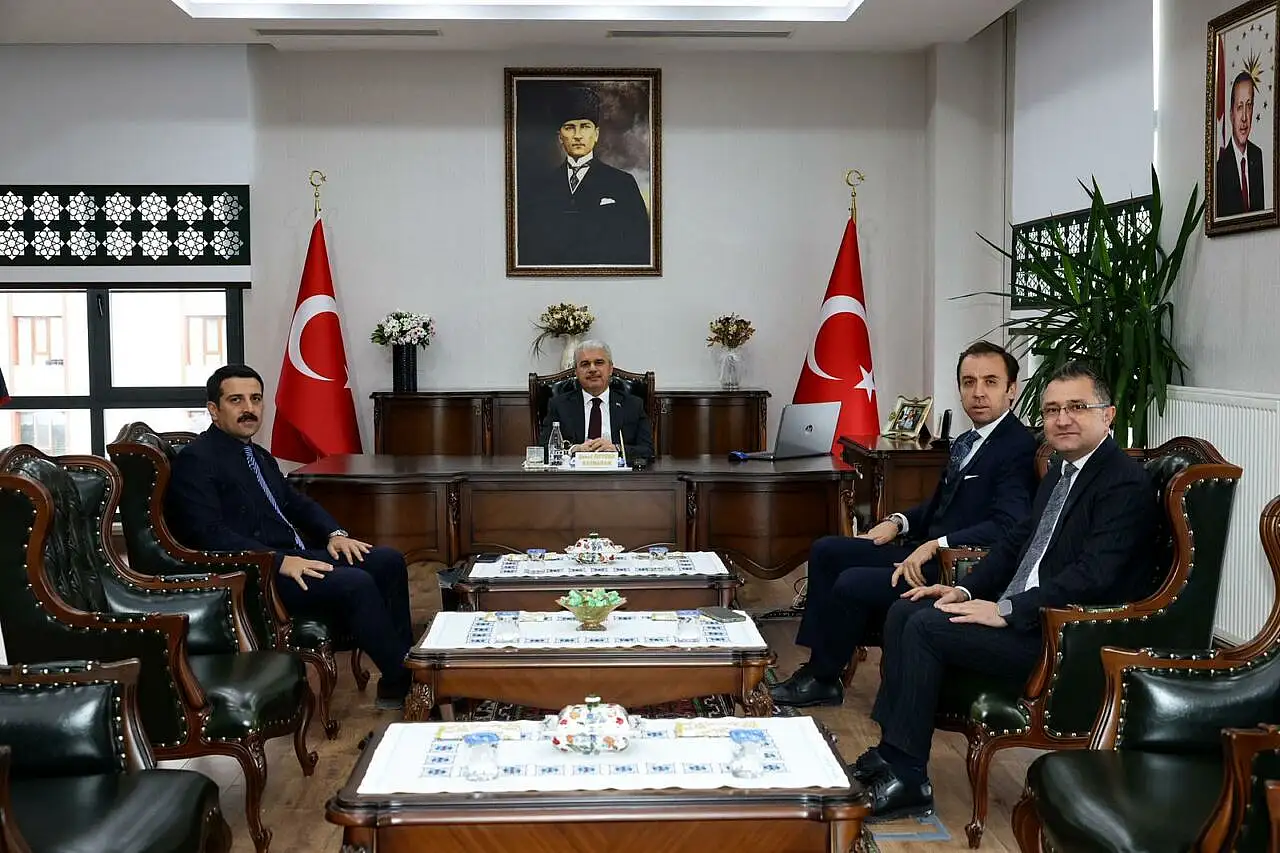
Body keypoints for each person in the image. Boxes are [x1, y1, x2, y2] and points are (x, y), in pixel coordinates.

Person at [851, 361, 1159, 821]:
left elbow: (1093, 576)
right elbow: (1016, 542)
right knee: (906, 610)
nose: (1062, 419)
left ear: (1107, 415)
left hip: (1062, 634)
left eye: (1076, 407)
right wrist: (962, 590)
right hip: (1028, 615)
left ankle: (910, 779)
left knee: (925, 629)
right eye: (1052, 409)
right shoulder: (1062, 470)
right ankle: (893, 752)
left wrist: (1007, 609)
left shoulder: (1122, 482)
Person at [771, 341, 1038, 708]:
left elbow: (1008, 525)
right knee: (827, 550)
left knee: (851, 581)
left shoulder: (1016, 446)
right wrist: (897, 522)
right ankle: (820, 668)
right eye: (969, 382)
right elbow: (938, 505)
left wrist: (936, 544)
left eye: (990, 382)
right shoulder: (967, 440)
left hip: (957, 566)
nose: (978, 392)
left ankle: (822, 677)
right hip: (922, 551)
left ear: (1011, 390)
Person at [166, 364, 414, 710]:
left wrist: (334, 533)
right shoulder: (197, 460)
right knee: (355, 583)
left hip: (294, 557)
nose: (249, 408)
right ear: (214, 409)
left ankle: (404, 669)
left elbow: (296, 503)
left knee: (388, 560)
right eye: (236, 400)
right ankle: (407, 681)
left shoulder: (257, 455)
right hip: (256, 572)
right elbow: (209, 535)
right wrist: (278, 561)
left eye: (255, 399)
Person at [517, 86, 651, 267]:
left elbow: (640, 246)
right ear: (560, 137)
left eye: (585, 127)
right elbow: (529, 248)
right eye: (570, 128)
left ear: (596, 134)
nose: (578, 136)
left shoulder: (622, 184)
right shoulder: (541, 188)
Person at [537, 339, 655, 463]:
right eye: (585, 364)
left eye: (599, 362)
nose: (592, 369)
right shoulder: (559, 405)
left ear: (610, 369)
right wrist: (573, 450)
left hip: (617, 472)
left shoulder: (633, 405)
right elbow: (544, 450)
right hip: (575, 472)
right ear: (576, 371)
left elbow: (647, 451)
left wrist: (617, 449)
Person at [1216, 71, 1266, 216]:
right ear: (1231, 114)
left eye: (1248, 106)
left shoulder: (1257, 155)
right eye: (1239, 107)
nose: (1244, 117)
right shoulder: (1220, 167)